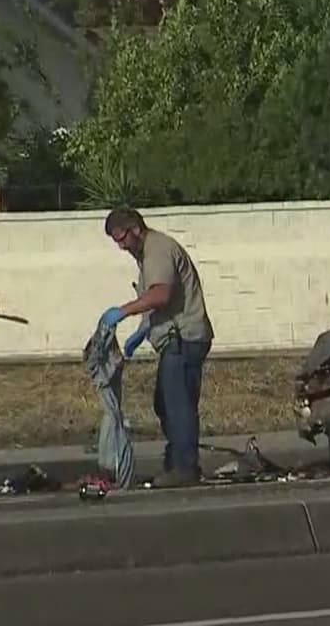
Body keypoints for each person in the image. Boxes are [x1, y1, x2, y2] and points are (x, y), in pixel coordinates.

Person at [101, 207, 214, 488]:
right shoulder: (148, 253)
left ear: (135, 229)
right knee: (165, 403)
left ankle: (184, 467)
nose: (121, 246)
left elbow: (160, 294)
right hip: (175, 338)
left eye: (122, 238)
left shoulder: (157, 250)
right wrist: (143, 330)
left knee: (177, 405)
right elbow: (160, 301)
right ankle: (176, 461)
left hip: (183, 339)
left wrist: (123, 311)